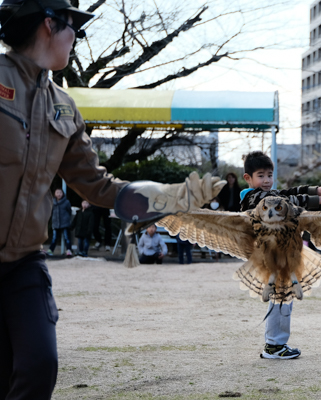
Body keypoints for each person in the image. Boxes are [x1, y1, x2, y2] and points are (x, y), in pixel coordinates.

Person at [0, 2, 224, 397]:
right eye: (75, 30)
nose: (75, 41)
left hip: (23, 266)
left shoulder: (63, 106)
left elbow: (98, 186)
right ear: (50, 24)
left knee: (38, 365)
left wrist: (173, 196)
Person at [240, 151, 321, 360]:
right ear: (248, 178)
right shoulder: (252, 198)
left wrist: (316, 190)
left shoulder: (271, 194)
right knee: (280, 297)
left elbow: (287, 192)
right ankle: (274, 345)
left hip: (282, 255)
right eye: (261, 175)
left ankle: (276, 344)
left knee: (284, 298)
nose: (267, 180)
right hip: (269, 259)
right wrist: (318, 200)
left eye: (269, 175)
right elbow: (285, 200)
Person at [47, 188, 73, 256]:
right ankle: (50, 250)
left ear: (63, 193)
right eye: (57, 193)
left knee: (67, 237)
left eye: (60, 193)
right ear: (55, 194)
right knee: (54, 238)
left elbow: (69, 211)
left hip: (65, 222)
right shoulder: (52, 202)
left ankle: (69, 250)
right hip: (55, 223)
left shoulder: (66, 202)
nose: (59, 194)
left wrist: (66, 219)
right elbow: (51, 212)